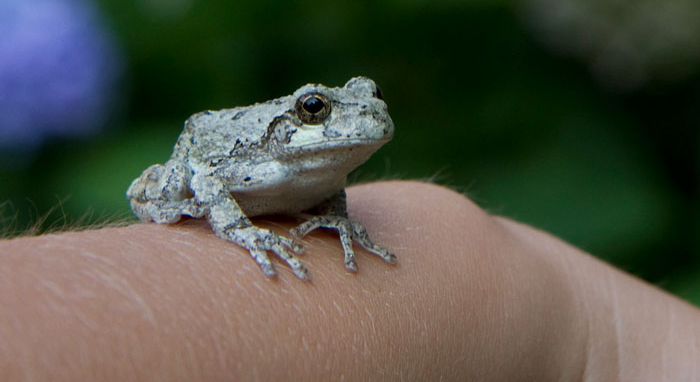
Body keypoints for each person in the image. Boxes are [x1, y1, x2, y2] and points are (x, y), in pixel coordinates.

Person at [1, 181, 698, 381]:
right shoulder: (251, 154)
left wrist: (337, 214)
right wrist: (240, 233)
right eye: (318, 112)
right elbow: (207, 176)